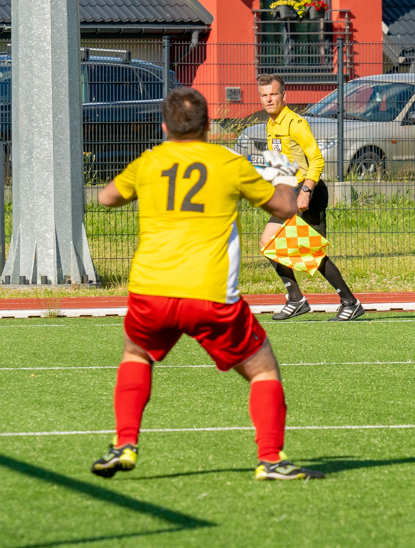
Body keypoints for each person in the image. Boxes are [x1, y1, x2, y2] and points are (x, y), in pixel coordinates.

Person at [91, 87, 324, 481]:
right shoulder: (227, 161)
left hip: (152, 291)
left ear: (164, 126)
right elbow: (284, 206)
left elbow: (106, 197)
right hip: (209, 295)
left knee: (135, 354)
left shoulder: (150, 161)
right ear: (207, 126)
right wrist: (285, 176)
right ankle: (270, 459)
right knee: (263, 369)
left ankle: (124, 444)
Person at [257, 73, 364, 322]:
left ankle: (350, 302)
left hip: (307, 191)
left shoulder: (295, 123)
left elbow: (316, 159)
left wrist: (306, 191)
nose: (269, 99)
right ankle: (297, 300)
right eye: (264, 95)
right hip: (288, 191)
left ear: (284, 95)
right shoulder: (271, 123)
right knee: (269, 242)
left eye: (273, 94)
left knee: (310, 251)